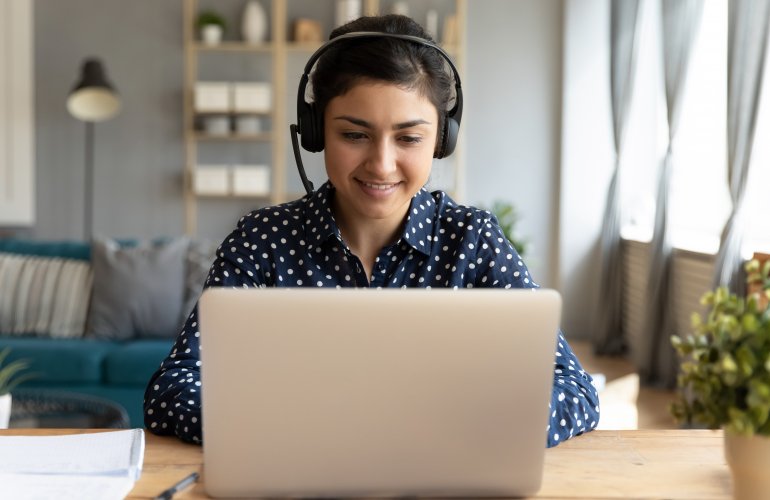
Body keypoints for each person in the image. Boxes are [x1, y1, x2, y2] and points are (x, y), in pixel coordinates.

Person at [144, 14, 600, 448]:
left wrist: (458, 429)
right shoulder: (262, 241)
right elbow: (173, 388)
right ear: (316, 132)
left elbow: (571, 387)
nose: (381, 165)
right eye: (354, 135)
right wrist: (307, 430)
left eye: (409, 138)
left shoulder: (472, 241)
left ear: (442, 140)